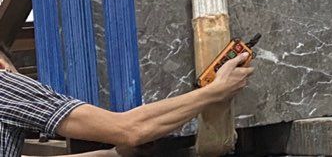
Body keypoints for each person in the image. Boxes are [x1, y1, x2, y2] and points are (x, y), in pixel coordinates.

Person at [0, 41, 253, 157]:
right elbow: (130, 129)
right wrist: (215, 91)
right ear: (3, 66)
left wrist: (114, 154)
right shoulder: (5, 84)